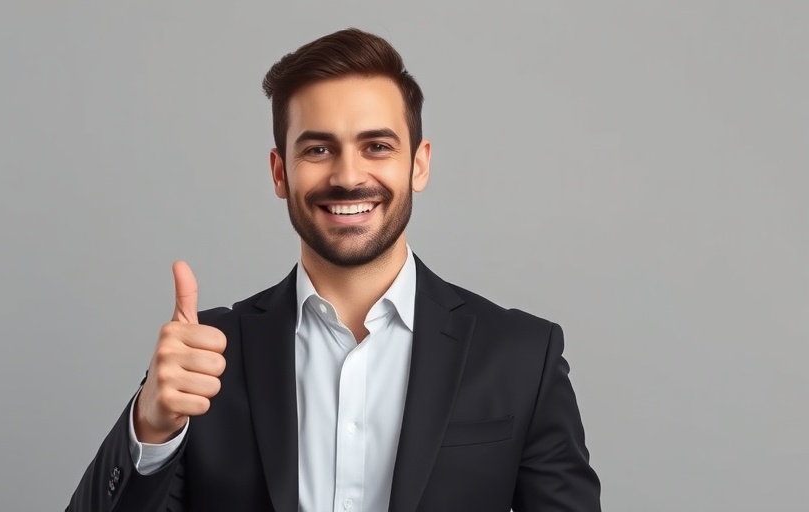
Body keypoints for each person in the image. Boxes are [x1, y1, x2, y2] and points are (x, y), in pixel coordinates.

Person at [67, 28, 601, 512]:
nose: (348, 176)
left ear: (418, 163)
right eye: (318, 148)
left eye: (377, 146)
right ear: (281, 173)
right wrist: (151, 428)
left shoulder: (521, 357)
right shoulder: (205, 357)